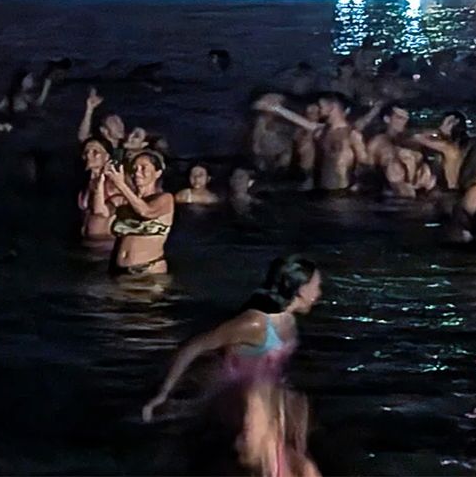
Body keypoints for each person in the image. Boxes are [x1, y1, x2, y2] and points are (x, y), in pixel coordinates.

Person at [141, 255, 326, 477]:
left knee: (306, 469)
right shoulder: (254, 323)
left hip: (267, 400)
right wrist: (163, 393)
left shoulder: (289, 321)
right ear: (300, 289)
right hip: (239, 397)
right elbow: (193, 348)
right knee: (271, 458)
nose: (319, 294)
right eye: (317, 287)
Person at [110, 150, 174, 276]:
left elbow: (146, 212)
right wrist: (100, 179)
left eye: (143, 168)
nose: (137, 172)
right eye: (134, 168)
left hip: (148, 270)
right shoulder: (126, 201)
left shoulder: (165, 199)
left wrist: (121, 185)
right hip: (118, 270)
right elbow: (99, 211)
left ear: (158, 173)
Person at [79, 138, 118, 242]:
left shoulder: (113, 184)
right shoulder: (87, 183)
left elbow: (101, 212)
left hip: (104, 244)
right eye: (86, 152)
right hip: (87, 242)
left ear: (107, 157)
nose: (88, 155)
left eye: (95, 152)